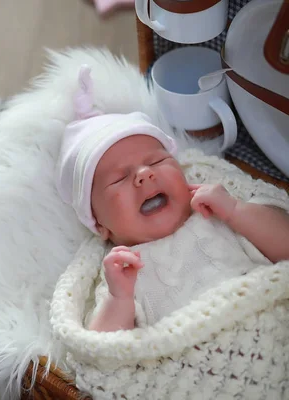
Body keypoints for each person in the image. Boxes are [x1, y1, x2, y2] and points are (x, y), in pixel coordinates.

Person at [55, 65, 289, 332]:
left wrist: (236, 210)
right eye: (119, 178)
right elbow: (103, 351)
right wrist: (119, 299)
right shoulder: (121, 274)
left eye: (156, 160)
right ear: (100, 226)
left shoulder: (217, 215)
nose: (144, 174)